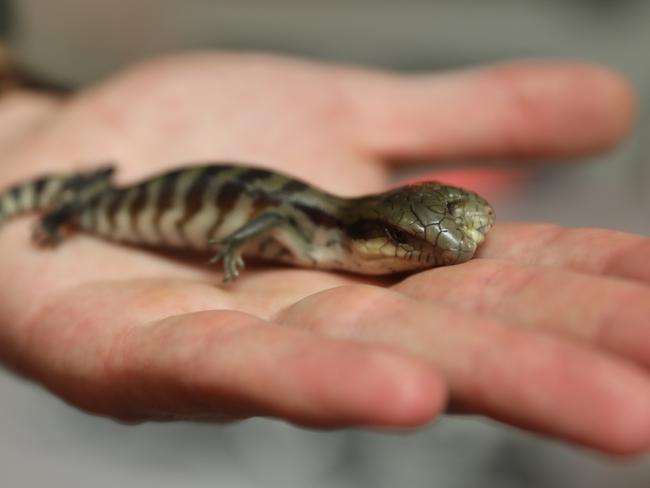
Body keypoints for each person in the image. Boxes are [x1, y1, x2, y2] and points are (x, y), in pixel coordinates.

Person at [0, 51, 647, 456]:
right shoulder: (313, 231)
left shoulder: (340, 229)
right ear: (370, 234)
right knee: (84, 206)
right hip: (126, 203)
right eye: (404, 242)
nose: (424, 253)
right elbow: (276, 216)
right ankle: (60, 205)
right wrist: (233, 247)